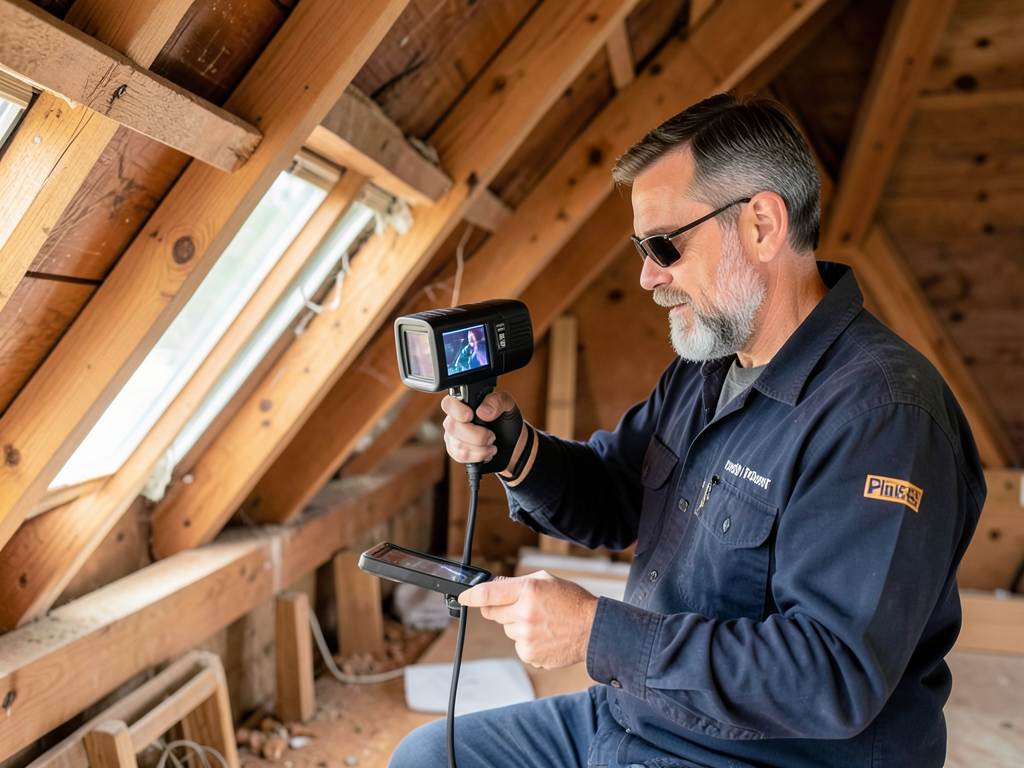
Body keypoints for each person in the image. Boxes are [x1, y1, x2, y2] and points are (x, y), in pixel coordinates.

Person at [390, 93, 984, 768]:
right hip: (639, 712)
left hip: (767, 756)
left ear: (762, 224)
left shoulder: (883, 415)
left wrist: (594, 633)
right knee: (428, 758)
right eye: (642, 249)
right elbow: (617, 495)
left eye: (664, 244)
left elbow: (831, 675)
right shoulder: (707, 370)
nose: (648, 276)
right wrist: (513, 450)